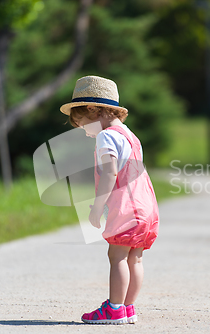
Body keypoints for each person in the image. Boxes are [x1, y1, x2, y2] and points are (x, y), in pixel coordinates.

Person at [60, 75, 160, 325]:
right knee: (135, 258)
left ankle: (114, 309)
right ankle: (128, 308)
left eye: (82, 124)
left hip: (126, 208)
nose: (85, 132)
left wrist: (97, 206)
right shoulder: (130, 135)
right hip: (145, 207)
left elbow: (110, 172)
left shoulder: (107, 137)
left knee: (116, 257)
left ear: (93, 110)